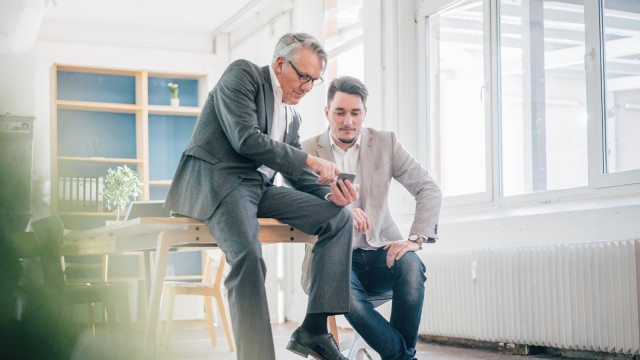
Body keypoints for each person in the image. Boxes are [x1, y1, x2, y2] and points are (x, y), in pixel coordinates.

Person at [165, 33, 357, 360]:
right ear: (280, 63)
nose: (307, 87)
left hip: (260, 187)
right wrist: (310, 159)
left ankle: (313, 329)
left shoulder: (291, 115)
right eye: (303, 76)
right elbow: (245, 139)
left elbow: (295, 171)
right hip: (220, 178)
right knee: (249, 257)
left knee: (339, 219)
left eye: (314, 80)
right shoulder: (243, 75)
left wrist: (332, 195)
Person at [301, 76, 443, 360]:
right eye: (340, 112)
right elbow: (299, 206)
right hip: (334, 261)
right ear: (327, 113)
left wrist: (416, 239)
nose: (348, 121)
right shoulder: (307, 151)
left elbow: (428, 188)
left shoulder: (385, 143)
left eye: (355, 113)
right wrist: (338, 211)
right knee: (345, 293)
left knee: (412, 266)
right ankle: (404, 357)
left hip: (381, 251)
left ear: (364, 113)